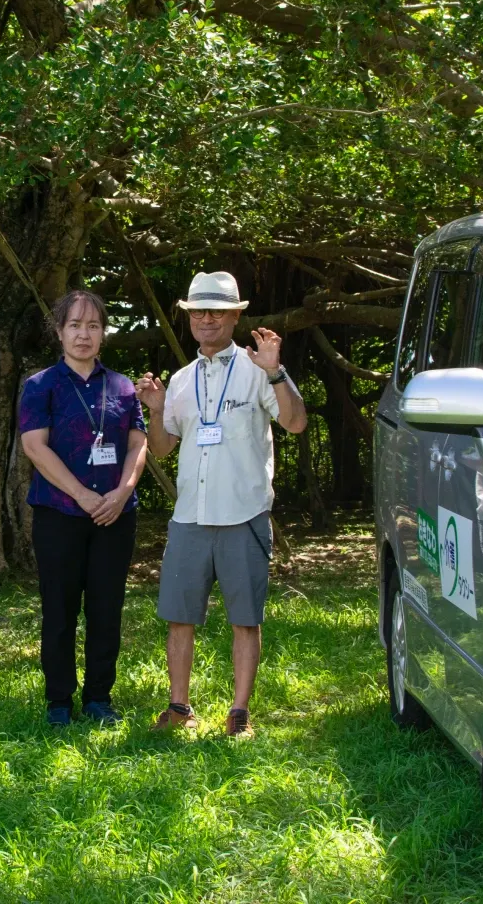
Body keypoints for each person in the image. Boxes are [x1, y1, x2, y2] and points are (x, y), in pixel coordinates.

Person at [136, 271, 307, 737]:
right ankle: (179, 706)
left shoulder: (258, 371)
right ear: (189, 318)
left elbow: (294, 424)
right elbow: (163, 447)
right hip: (190, 514)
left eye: (216, 311)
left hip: (244, 513)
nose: (206, 319)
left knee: (245, 618)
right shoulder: (181, 379)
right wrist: (154, 409)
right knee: (179, 616)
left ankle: (239, 713)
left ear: (235, 316)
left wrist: (276, 371)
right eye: (197, 312)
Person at [18, 289, 149, 727]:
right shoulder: (40, 386)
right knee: (59, 610)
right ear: (59, 332)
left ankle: (98, 698)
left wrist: (121, 491)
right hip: (60, 515)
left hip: (115, 515)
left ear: (103, 334)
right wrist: (83, 495)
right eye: (75, 325)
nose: (84, 334)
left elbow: (137, 443)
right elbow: (35, 447)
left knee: (106, 609)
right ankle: (59, 701)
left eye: (93, 326)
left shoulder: (123, 387)